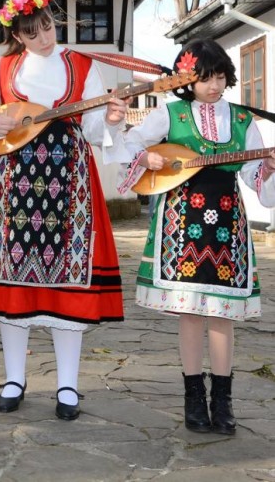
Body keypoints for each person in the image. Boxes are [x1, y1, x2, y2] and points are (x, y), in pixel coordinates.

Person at [0, 0, 128, 420]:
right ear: (19, 35)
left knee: (71, 284)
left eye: (47, 27)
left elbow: (92, 128)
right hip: (12, 184)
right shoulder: (2, 66)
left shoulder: (82, 65)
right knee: (12, 284)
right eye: (32, 34)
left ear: (54, 19)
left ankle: (68, 385)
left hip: (69, 184)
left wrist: (107, 118)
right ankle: (14, 378)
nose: (44, 39)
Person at [111, 39, 275, 435]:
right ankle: (193, 398)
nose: (214, 85)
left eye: (220, 76)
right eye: (205, 78)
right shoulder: (171, 113)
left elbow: (255, 179)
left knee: (222, 315)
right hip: (182, 221)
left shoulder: (241, 121)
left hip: (228, 224)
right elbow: (130, 145)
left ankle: (223, 400)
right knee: (190, 312)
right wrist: (146, 157)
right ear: (188, 79)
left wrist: (267, 167)